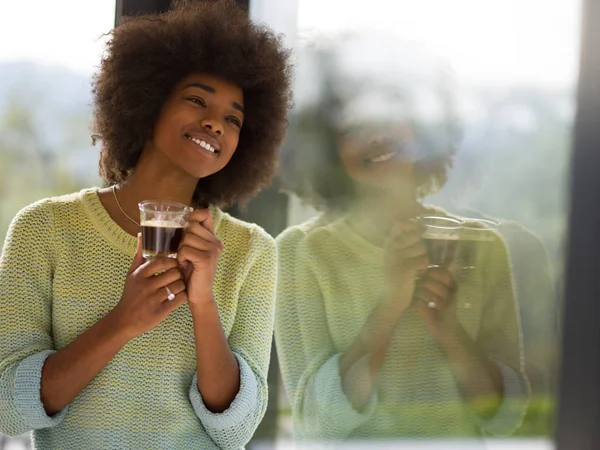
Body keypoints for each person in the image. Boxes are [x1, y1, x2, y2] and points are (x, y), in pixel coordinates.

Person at [0, 1, 292, 448]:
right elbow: (8, 408)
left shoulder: (251, 250)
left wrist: (203, 305)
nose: (215, 122)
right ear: (148, 101)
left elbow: (236, 430)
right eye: (197, 99)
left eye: (233, 118)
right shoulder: (45, 229)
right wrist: (123, 321)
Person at [274, 33, 529, 445]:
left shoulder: (483, 249)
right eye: (354, 125)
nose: (377, 135)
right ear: (325, 143)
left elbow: (508, 419)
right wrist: (390, 305)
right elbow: (317, 425)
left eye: (391, 112)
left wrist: (449, 330)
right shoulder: (299, 252)